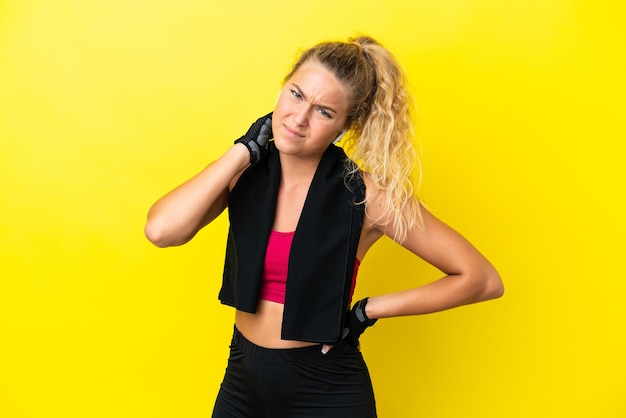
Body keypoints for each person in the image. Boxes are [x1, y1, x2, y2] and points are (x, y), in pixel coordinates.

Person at [145, 35, 504, 418]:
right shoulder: (242, 173)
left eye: (323, 112)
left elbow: (482, 279)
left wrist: (370, 310)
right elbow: (162, 231)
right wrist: (242, 152)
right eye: (296, 95)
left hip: (326, 389)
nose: (299, 119)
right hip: (241, 379)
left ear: (343, 127)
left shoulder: (366, 195)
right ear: (282, 88)